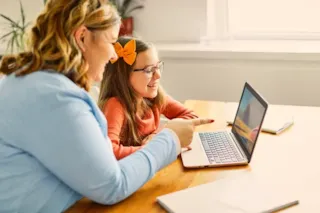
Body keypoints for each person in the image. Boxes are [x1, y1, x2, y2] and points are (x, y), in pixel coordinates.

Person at [0, 0, 213, 212]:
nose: (114, 55)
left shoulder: (31, 82)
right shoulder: (56, 99)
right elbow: (112, 186)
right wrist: (170, 139)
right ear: (82, 37)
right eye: (112, 41)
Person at [98, 37, 199, 160]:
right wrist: (159, 148)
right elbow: (110, 152)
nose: (158, 75)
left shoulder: (154, 97)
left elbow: (191, 117)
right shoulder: (115, 105)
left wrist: (158, 135)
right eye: (148, 70)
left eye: (157, 67)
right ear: (123, 75)